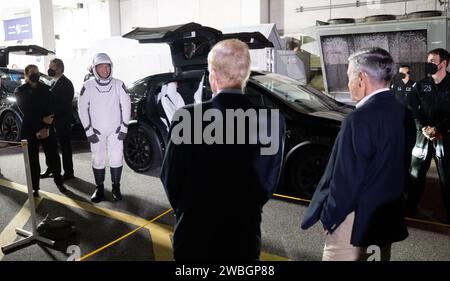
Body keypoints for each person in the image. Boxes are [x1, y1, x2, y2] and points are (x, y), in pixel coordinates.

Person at [160, 39, 285, 261]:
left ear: (213, 76)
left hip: (193, 234)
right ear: (246, 74)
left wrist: (188, 209)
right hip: (242, 235)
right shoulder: (271, 121)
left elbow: (170, 177)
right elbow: (267, 183)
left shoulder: (187, 117)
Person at [301, 47, 408, 261]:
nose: (348, 82)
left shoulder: (358, 119)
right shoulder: (403, 114)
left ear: (361, 78)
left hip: (354, 220)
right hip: (385, 217)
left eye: (349, 76)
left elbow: (345, 179)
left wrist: (330, 217)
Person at [78, 53, 131, 203]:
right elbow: (82, 109)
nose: (105, 69)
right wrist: (88, 130)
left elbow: (126, 105)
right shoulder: (87, 86)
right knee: (98, 158)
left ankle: (116, 187)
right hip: (96, 131)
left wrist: (124, 127)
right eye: (101, 66)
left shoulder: (118, 84)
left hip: (116, 130)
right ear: (95, 68)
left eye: (107, 66)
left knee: (116, 157)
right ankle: (99, 188)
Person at [407, 48, 450, 223]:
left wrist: (437, 128)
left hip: (445, 137)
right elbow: (412, 109)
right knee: (415, 174)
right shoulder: (421, 85)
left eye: (433, 61)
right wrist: (424, 128)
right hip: (423, 136)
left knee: (447, 178)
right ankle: (410, 209)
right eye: (429, 60)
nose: (429, 64)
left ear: (444, 63)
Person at [15, 64, 66, 197]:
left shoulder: (46, 88)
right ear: (26, 74)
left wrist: (47, 126)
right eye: (32, 72)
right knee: (32, 159)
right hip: (30, 129)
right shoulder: (20, 91)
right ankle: (35, 187)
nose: (35, 74)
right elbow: (26, 111)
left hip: (46, 129)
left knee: (53, 157)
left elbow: (52, 108)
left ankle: (59, 182)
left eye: (37, 72)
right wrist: (43, 121)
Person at [40, 58, 75, 181]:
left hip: (62, 121)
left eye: (52, 66)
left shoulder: (66, 83)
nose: (49, 69)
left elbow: (64, 104)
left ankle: (68, 172)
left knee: (65, 147)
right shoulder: (51, 81)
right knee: (50, 148)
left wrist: (52, 116)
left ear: (59, 68)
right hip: (51, 121)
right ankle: (52, 168)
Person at [390, 64, 417, 204]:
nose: (400, 75)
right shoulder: (395, 86)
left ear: (409, 73)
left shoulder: (415, 86)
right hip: (396, 126)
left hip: (410, 126)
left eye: (403, 73)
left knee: (407, 157)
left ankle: (407, 189)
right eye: (399, 73)